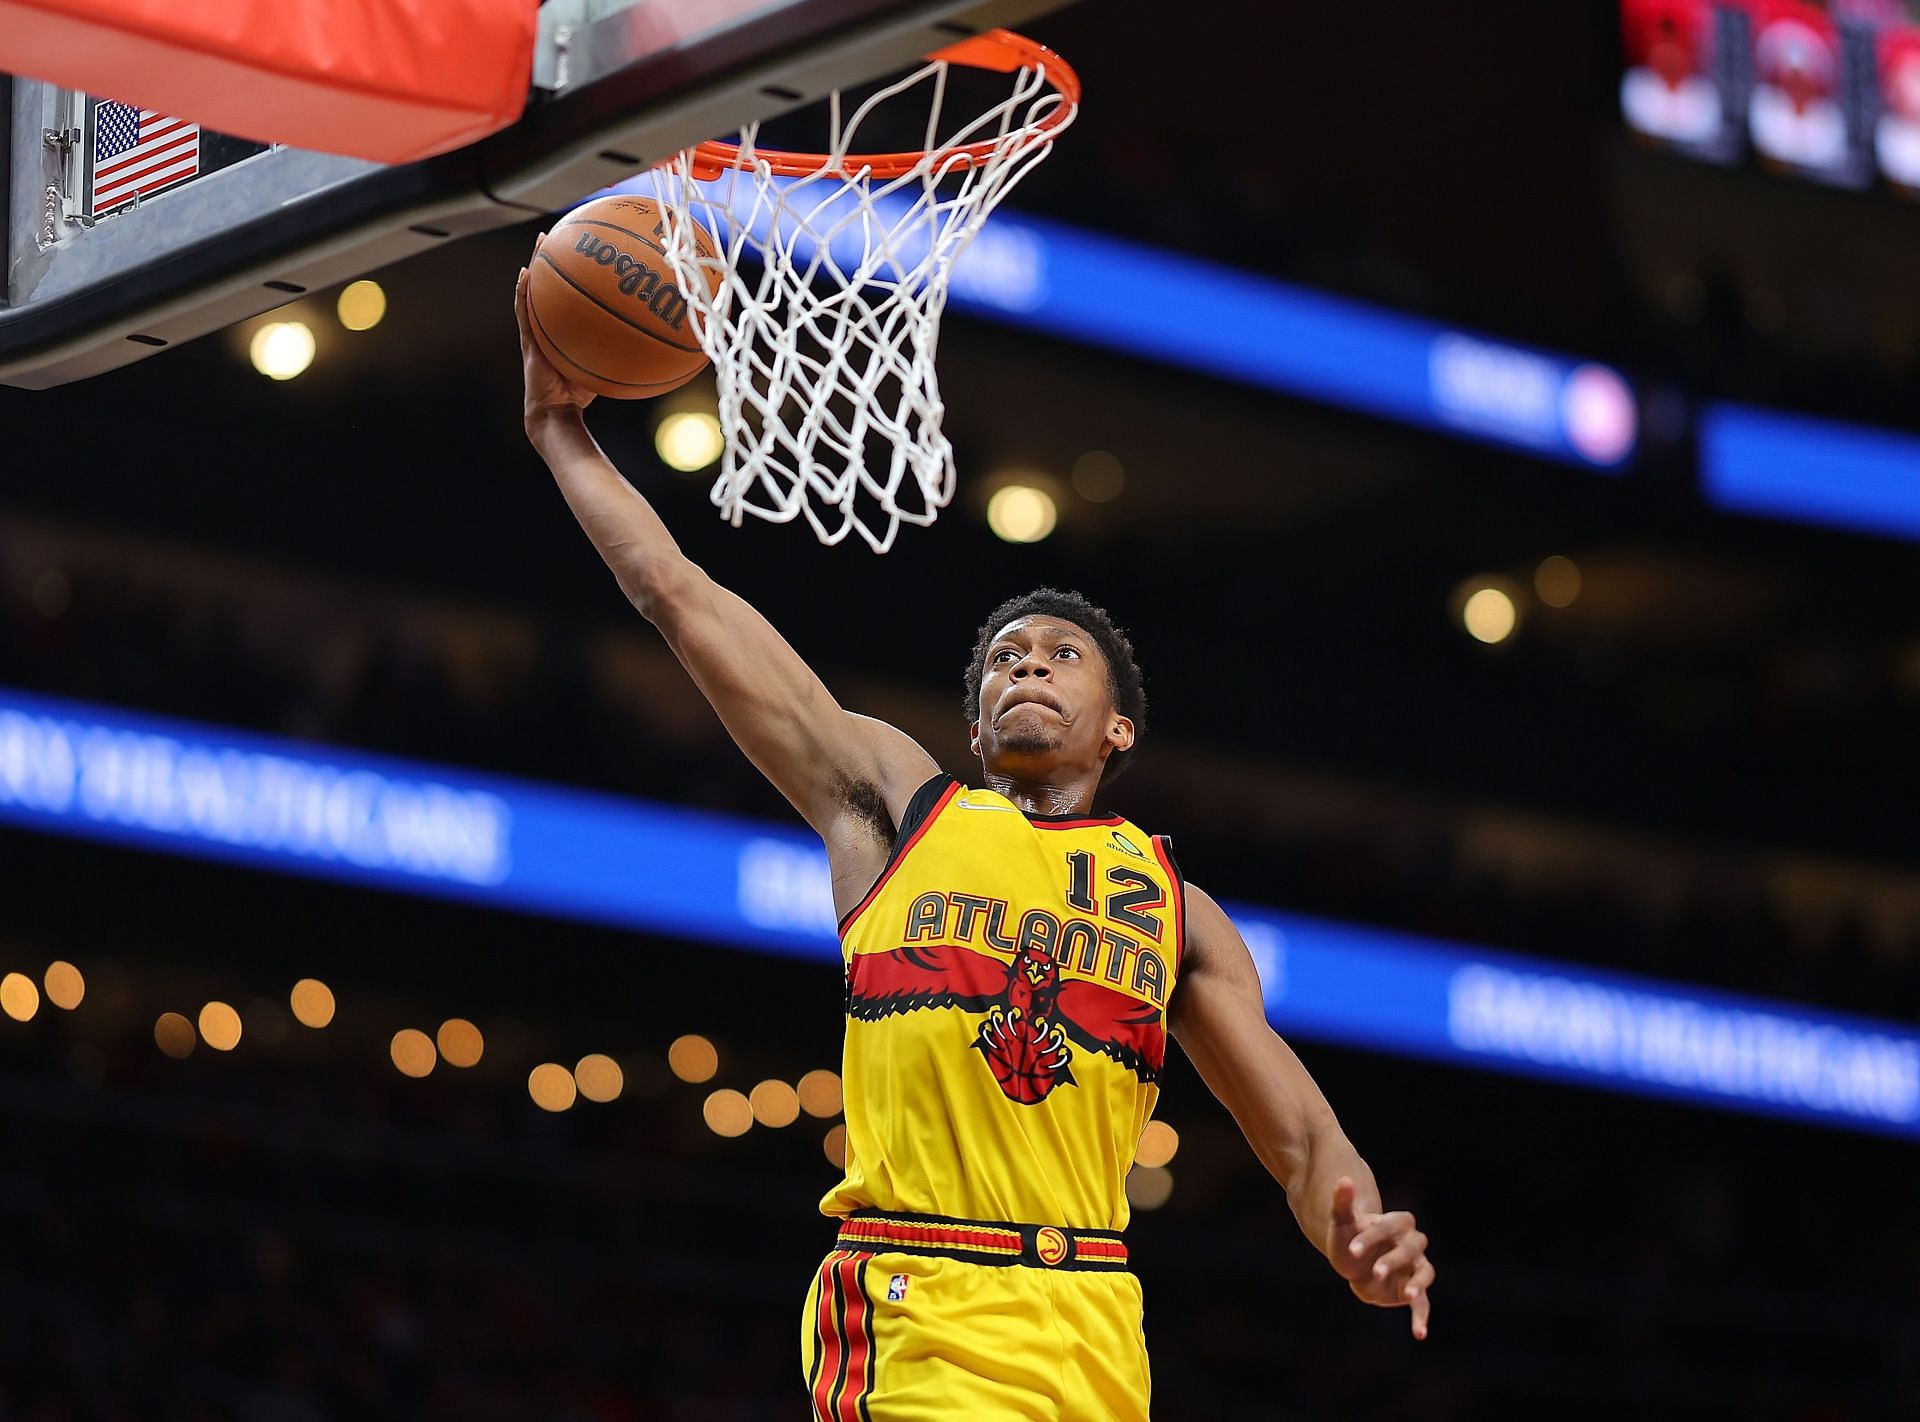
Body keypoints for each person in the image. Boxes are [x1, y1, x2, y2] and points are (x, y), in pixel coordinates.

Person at [515, 241, 1434, 1421]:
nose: (1027, 667)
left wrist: (1355, 1229)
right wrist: (561, 435)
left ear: (1119, 733)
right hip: (919, 1304)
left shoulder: (1176, 910)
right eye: (1004, 659)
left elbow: (1305, 1142)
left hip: (1096, 1326)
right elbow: (682, 596)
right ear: (973, 715)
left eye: (1061, 657)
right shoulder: (901, 809)